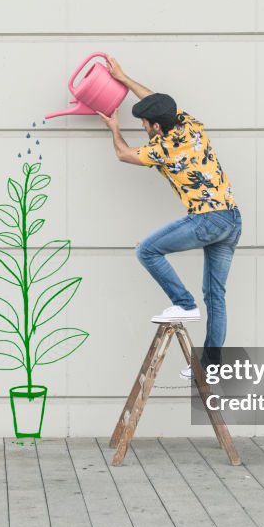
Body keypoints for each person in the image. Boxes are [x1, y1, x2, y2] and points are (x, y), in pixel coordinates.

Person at [97, 55, 242, 380]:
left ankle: (183, 303)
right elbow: (154, 101)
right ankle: (212, 365)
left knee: (147, 250)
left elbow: (123, 154)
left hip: (208, 219)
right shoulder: (189, 125)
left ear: (157, 126)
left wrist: (115, 128)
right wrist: (124, 77)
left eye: (145, 124)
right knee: (216, 294)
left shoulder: (162, 148)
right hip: (232, 219)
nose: (143, 127)